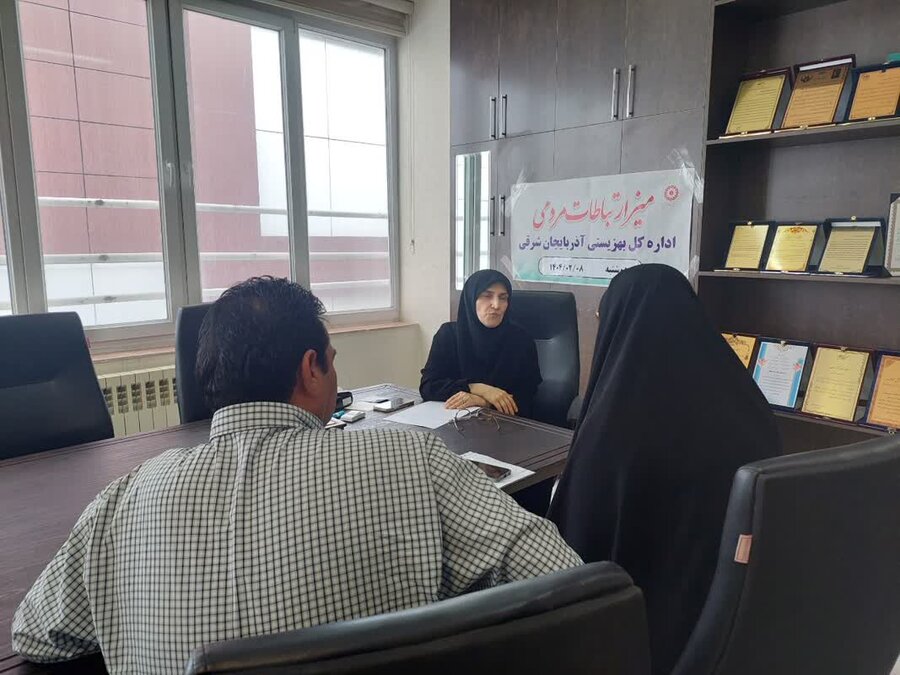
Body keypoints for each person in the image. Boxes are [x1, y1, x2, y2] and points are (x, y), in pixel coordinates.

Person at [12, 277, 581, 674]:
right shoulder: (411, 459)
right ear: (313, 368)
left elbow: (36, 636)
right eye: (332, 357)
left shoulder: (122, 500)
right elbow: (564, 580)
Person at [547, 264, 781, 675]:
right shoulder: (751, 408)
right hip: (733, 631)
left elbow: (573, 547)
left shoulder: (614, 431)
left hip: (636, 643)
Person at [420, 269, 541, 418]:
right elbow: (429, 387)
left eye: (503, 298)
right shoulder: (448, 335)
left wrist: (483, 402)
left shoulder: (521, 340)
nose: (496, 305)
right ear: (471, 299)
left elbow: (526, 400)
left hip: (503, 424)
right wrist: (478, 388)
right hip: (451, 421)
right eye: (487, 296)